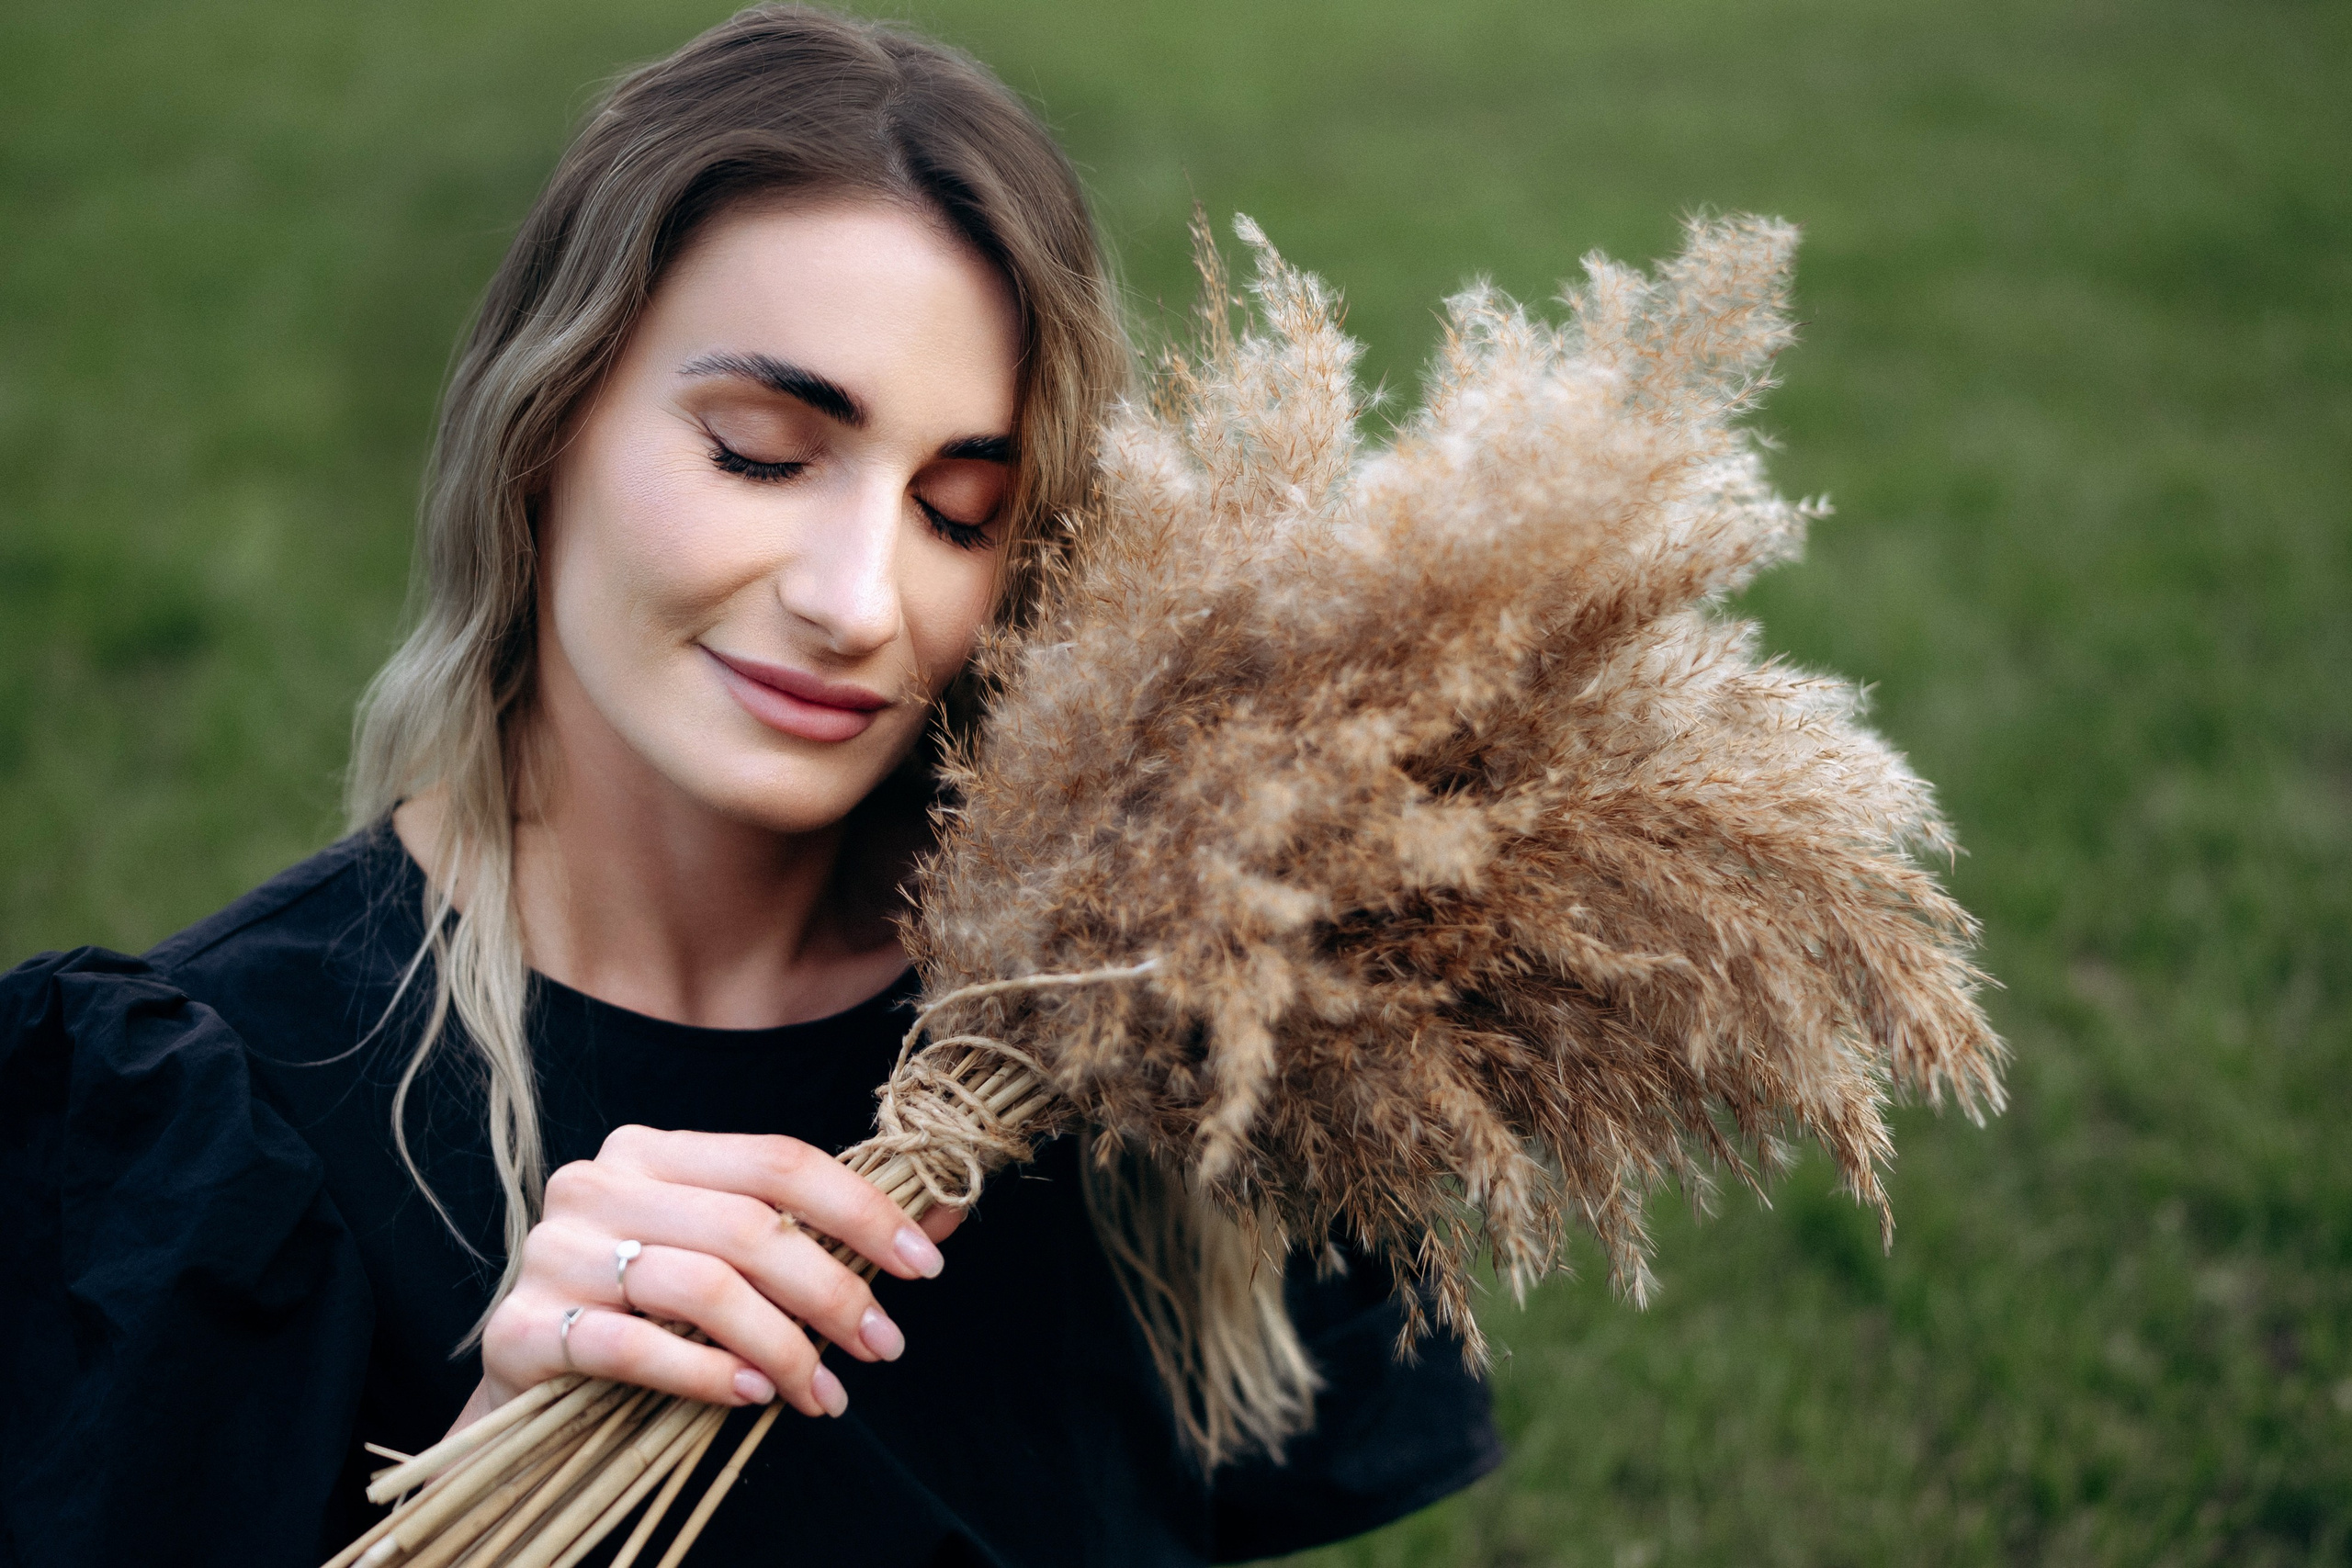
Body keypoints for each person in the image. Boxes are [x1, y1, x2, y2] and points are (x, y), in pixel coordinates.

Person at [0, 8, 1501, 1564]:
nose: (861, 602)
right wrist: (484, 1476)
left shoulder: (1138, 1019)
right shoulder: (201, 1124)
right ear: (544, 420)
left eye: (961, 510)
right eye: (761, 453)